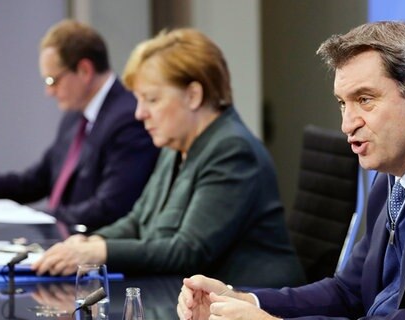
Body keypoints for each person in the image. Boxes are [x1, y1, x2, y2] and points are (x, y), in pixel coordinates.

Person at [177, 21, 405, 319]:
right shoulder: (394, 170)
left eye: (365, 100)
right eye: (342, 104)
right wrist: (243, 300)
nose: (348, 124)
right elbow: (350, 291)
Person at [31, 28, 306, 289]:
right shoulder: (175, 143)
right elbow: (138, 219)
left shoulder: (232, 150)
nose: (140, 114)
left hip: (251, 300)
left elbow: (188, 251)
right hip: (185, 295)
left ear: (193, 95)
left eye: (151, 99)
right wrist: (89, 243)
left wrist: (99, 251)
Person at [0, 20, 159, 234]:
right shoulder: (75, 116)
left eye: (52, 80)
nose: (48, 92)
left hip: (97, 251)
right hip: (65, 243)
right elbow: (33, 182)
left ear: (84, 71)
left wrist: (37, 219)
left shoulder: (129, 118)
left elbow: (110, 207)